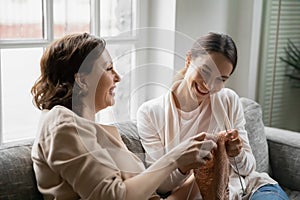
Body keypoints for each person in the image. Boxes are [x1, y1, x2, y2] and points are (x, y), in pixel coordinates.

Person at [30, 33, 217, 200]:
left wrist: (201, 171)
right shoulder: (62, 124)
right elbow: (112, 196)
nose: (118, 77)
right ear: (82, 80)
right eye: (109, 68)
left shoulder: (95, 131)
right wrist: (174, 158)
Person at [137, 32, 289, 200]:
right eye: (205, 71)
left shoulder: (228, 100)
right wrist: (183, 165)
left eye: (221, 79)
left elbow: (248, 170)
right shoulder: (150, 113)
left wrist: (236, 154)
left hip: (252, 190)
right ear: (189, 60)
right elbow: (161, 185)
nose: (209, 85)